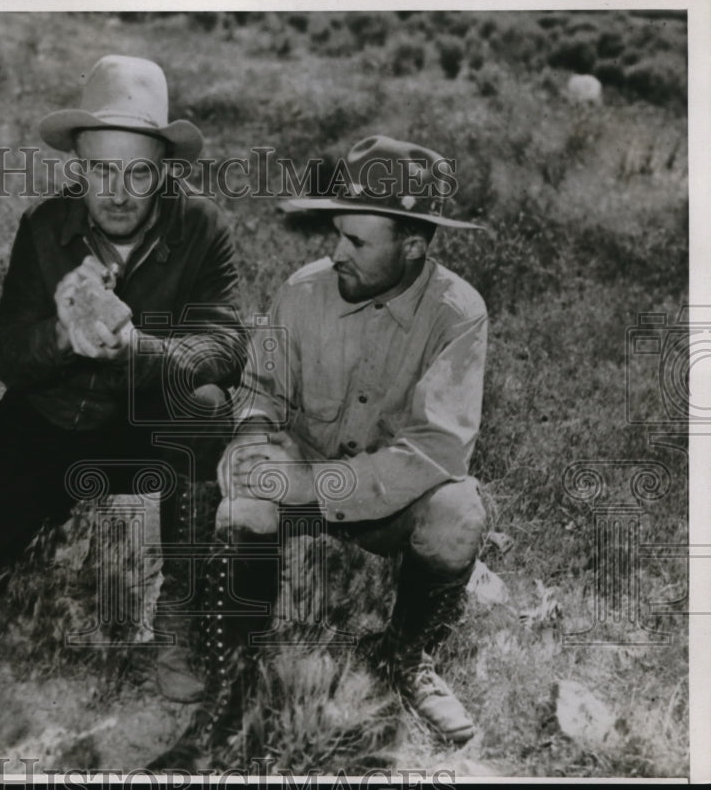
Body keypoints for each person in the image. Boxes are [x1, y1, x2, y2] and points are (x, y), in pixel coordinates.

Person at [0, 55, 246, 702]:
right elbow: (7, 353)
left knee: (206, 406)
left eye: (138, 172)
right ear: (78, 165)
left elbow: (227, 345)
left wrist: (136, 349)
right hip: (49, 417)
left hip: (143, 423)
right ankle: (36, 529)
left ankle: (179, 614)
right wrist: (64, 335)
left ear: (164, 169)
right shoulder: (44, 227)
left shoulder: (202, 228)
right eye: (100, 170)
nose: (118, 192)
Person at [149, 134, 488, 768]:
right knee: (245, 496)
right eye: (337, 235)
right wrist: (254, 438)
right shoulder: (303, 292)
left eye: (357, 242)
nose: (336, 254)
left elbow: (435, 450)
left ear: (413, 247)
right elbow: (260, 390)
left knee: (459, 512)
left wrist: (316, 484)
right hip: (300, 476)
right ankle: (230, 694)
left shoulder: (458, 314)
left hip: (389, 501)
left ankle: (404, 656)